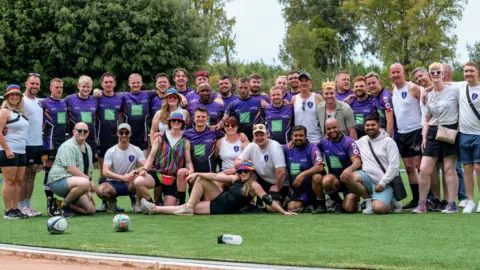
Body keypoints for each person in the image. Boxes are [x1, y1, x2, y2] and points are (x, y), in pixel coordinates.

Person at [139, 161, 296, 216]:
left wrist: (283, 212)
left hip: (224, 207)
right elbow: (216, 176)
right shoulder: (235, 178)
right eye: (240, 171)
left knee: (187, 209)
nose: (242, 174)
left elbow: (267, 199)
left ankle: (155, 209)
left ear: (251, 173)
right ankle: (187, 206)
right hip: (220, 197)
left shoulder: (254, 185)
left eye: (245, 171)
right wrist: (198, 172)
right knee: (202, 179)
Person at [413, 63, 459, 214]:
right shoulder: (428, 94)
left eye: (438, 71)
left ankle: (452, 204)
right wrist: (424, 137)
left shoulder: (454, 90)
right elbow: (427, 118)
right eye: (432, 72)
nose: (435, 74)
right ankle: (422, 203)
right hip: (433, 132)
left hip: (449, 130)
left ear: (443, 73)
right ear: (429, 74)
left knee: (448, 169)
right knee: (424, 168)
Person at [133, 112, 194, 210]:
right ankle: (150, 203)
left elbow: (188, 161)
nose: (176, 122)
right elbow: (151, 157)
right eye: (174, 120)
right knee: (138, 182)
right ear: (169, 123)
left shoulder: (185, 142)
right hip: (158, 174)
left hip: (173, 178)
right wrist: (144, 169)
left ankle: (181, 203)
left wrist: (190, 170)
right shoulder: (160, 138)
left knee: (169, 207)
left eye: (179, 121)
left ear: (182, 124)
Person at [349, 114, 403, 214]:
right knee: (350, 176)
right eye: (367, 125)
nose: (370, 128)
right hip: (368, 180)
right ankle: (368, 201)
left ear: (379, 126)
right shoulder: (362, 141)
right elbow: (348, 143)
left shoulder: (389, 142)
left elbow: (394, 166)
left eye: (373, 125)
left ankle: (391, 202)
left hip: (384, 184)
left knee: (379, 209)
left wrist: (382, 184)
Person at [390, 63, 423, 209]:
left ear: (404, 73)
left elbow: (425, 105)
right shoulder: (393, 89)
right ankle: (416, 199)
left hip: (415, 131)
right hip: (401, 133)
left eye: (398, 72)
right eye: (393, 73)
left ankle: (427, 198)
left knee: (419, 166)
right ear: (390, 75)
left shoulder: (413, 88)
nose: (396, 75)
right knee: (409, 168)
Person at [47, 122, 96, 217]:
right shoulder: (68, 146)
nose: (82, 133)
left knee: (90, 210)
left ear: (88, 133)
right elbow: (71, 169)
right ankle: (64, 207)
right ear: (74, 131)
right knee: (85, 183)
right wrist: (89, 182)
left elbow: (89, 171)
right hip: (58, 180)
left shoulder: (88, 148)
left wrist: (88, 191)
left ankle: (57, 204)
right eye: (79, 131)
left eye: (85, 131)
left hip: (78, 183)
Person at [235, 124, 287, 210]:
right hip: (261, 179)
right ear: (253, 136)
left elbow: (281, 172)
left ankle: (284, 199)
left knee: (272, 209)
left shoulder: (274, 147)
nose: (259, 138)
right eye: (256, 135)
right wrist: (245, 163)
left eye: (262, 134)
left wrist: (277, 187)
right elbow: (236, 163)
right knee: (240, 173)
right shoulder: (252, 146)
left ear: (267, 134)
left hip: (277, 182)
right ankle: (249, 203)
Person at [96, 123, 146, 213]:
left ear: (130, 134)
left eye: (126, 133)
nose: (124, 135)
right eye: (121, 132)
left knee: (140, 179)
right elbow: (105, 171)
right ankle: (112, 201)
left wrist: (135, 171)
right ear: (117, 134)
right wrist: (122, 177)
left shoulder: (136, 150)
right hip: (113, 183)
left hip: (130, 183)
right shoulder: (111, 151)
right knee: (100, 191)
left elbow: (146, 166)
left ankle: (135, 202)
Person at [96, 72, 126, 212]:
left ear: (114, 83)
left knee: (117, 171)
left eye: (110, 82)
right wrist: (95, 91)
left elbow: (121, 115)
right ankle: (104, 202)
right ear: (102, 84)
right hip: (102, 140)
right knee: (104, 173)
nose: (108, 84)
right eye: (106, 82)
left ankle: (115, 202)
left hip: (117, 141)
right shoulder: (97, 97)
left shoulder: (120, 98)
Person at [317, 118, 362, 213]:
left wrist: (349, 169)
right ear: (326, 130)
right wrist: (292, 142)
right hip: (335, 178)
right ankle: (338, 202)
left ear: (339, 127)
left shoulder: (349, 142)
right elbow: (311, 148)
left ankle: (354, 201)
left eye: (334, 127)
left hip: (350, 180)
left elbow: (358, 162)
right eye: (329, 129)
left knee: (349, 209)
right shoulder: (324, 142)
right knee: (326, 181)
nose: (332, 131)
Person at [0, 85, 29, 219]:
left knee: (18, 181)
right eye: (12, 95)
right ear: (7, 97)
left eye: (17, 95)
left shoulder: (20, 113)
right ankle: (8, 210)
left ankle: (15, 208)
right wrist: (7, 149)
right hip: (8, 150)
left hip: (21, 150)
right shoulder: (4, 112)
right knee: (9, 181)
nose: (14, 97)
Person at [283, 126, 326, 213]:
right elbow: (273, 148)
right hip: (297, 189)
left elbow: (320, 166)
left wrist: (302, 174)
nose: (298, 138)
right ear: (291, 137)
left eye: (301, 135)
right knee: (292, 208)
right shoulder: (287, 148)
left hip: (310, 187)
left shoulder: (312, 148)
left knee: (317, 177)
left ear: (305, 136)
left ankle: (320, 203)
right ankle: (308, 204)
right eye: (296, 136)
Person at [42, 78, 68, 216]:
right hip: (48, 144)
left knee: (63, 172)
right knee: (49, 171)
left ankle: (61, 204)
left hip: (63, 143)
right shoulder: (44, 103)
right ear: (50, 88)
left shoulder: (65, 102)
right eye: (56, 87)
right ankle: (50, 201)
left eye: (61, 87)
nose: (59, 90)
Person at [457, 62, 480, 213]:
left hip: (479, 134)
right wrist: (424, 90)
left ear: (477, 72)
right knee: (467, 168)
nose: (468, 74)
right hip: (464, 134)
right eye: (466, 71)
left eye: (471, 71)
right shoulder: (460, 86)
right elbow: (441, 83)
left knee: (478, 168)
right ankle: (470, 201)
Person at [19, 73, 43, 217]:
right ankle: (20, 206)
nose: (34, 86)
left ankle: (27, 206)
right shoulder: (21, 100)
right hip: (25, 144)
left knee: (32, 175)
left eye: (37, 84)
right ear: (26, 84)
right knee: (23, 176)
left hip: (37, 143)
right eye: (32, 83)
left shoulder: (38, 102)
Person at [65, 75, 98, 162]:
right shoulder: (69, 99)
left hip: (90, 137)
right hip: (75, 137)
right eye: (83, 86)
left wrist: (98, 91)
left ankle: (88, 177)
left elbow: (106, 95)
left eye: (88, 87)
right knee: (75, 162)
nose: (86, 89)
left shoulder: (95, 99)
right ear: (78, 86)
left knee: (89, 163)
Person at [222, 77, 262, 141]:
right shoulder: (233, 104)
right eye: (241, 88)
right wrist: (218, 125)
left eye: (245, 88)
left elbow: (270, 110)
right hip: (239, 138)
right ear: (237, 88)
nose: (243, 90)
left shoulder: (258, 102)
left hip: (256, 138)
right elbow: (225, 118)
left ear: (249, 87)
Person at [291, 72, 324, 144]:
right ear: (298, 83)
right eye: (301, 81)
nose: (304, 83)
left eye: (306, 80)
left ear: (310, 82)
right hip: (299, 139)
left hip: (316, 139)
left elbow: (324, 118)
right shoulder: (294, 99)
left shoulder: (317, 97)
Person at [123, 73, 151, 153]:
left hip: (143, 138)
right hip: (128, 137)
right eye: (133, 83)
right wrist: (97, 91)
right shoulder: (124, 96)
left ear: (141, 83)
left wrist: (181, 96)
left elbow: (163, 91)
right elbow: (109, 94)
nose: (136, 85)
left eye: (138, 82)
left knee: (143, 164)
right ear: (129, 84)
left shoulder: (148, 94)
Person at [365, 72, 395, 137]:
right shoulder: (374, 94)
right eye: (369, 84)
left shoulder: (385, 98)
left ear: (380, 82)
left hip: (394, 132)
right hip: (383, 129)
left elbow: (390, 121)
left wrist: (388, 140)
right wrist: (351, 96)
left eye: (373, 83)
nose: (371, 85)